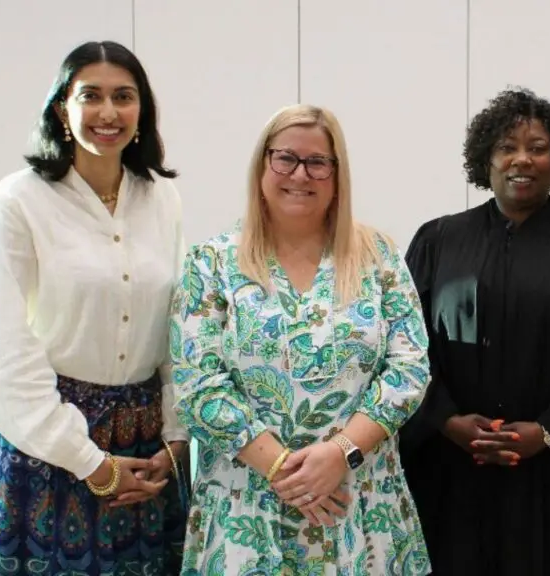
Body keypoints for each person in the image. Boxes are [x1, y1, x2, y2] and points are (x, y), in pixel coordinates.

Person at [169, 103, 432, 575]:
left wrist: (340, 454)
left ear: (336, 175)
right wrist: (281, 470)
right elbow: (197, 384)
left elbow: (410, 369)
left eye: (317, 163)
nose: (300, 174)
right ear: (262, 165)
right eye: (285, 158)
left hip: (361, 506)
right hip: (246, 509)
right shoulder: (211, 262)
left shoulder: (380, 257)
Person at [398, 87, 550, 576]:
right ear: (485, 159)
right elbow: (405, 346)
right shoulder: (438, 241)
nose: (522, 160)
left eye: (538, 148)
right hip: (452, 470)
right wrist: (446, 419)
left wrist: (549, 432)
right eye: (507, 147)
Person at [0, 40, 191, 575]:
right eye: (90, 96)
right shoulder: (17, 202)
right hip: (49, 440)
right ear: (61, 110)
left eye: (124, 96)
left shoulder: (162, 200)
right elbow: (6, 350)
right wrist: (89, 462)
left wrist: (178, 435)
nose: (108, 113)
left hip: (147, 447)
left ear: (143, 111)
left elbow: (179, 326)